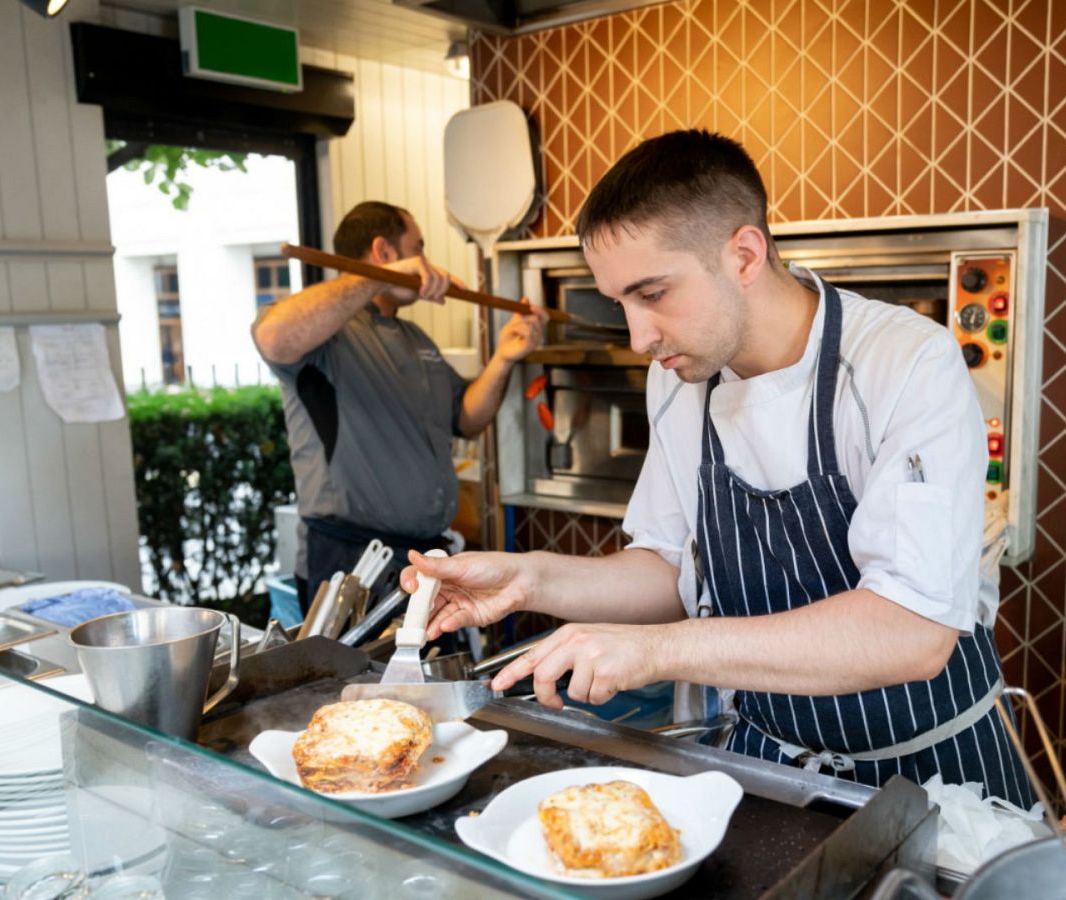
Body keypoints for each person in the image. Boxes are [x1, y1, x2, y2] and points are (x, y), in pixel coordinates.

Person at [401, 132, 1033, 803]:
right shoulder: (680, 379)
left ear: (744, 254)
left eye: (654, 294)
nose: (640, 338)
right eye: (621, 304)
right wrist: (523, 580)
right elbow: (670, 570)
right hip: (771, 773)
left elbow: (912, 631)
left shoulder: (906, 364)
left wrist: (657, 651)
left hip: (933, 778)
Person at [253, 201, 543, 604]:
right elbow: (273, 337)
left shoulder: (415, 339)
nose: (425, 262)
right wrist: (376, 279)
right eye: (418, 248)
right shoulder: (328, 337)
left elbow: (466, 419)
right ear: (384, 253)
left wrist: (504, 357)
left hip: (420, 556)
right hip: (349, 561)